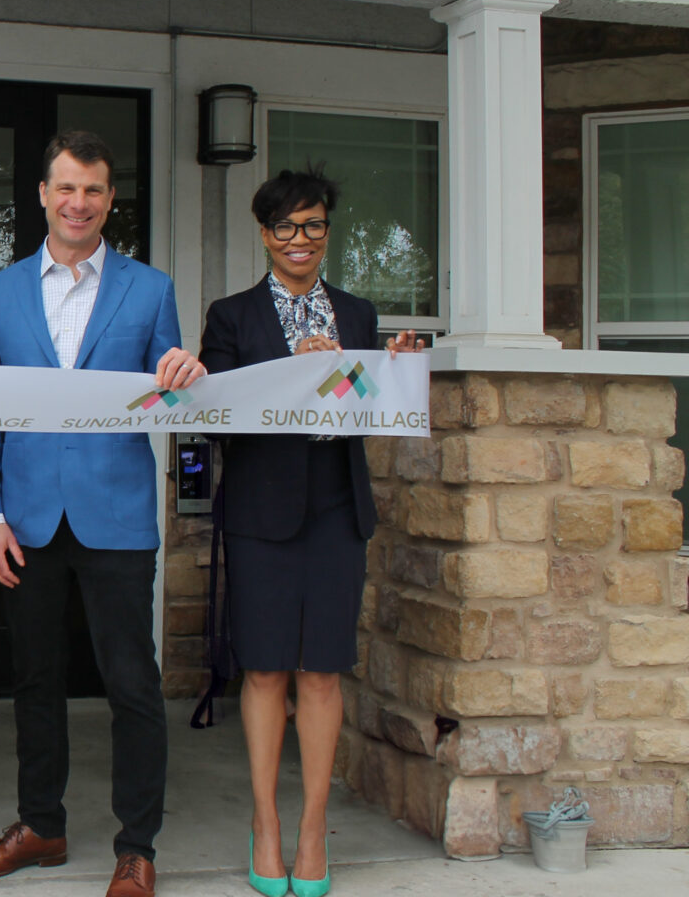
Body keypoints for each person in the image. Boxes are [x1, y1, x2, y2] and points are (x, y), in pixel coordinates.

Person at [0, 130, 202, 897]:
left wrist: (186, 373)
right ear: (42, 195)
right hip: (25, 517)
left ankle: (137, 846)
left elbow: (172, 392)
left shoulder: (150, 290)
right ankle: (42, 827)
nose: (78, 202)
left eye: (93, 190)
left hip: (116, 516)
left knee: (131, 682)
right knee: (35, 680)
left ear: (110, 199)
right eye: (66, 187)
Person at [198, 168, 421, 897]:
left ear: (328, 232)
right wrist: (291, 369)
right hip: (262, 508)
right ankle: (264, 823)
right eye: (287, 227)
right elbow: (217, 411)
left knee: (322, 670)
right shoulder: (231, 316)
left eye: (315, 225)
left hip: (336, 506)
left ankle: (312, 828)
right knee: (264, 668)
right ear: (265, 235)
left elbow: (374, 408)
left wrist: (400, 370)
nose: (301, 240)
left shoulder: (359, 315)